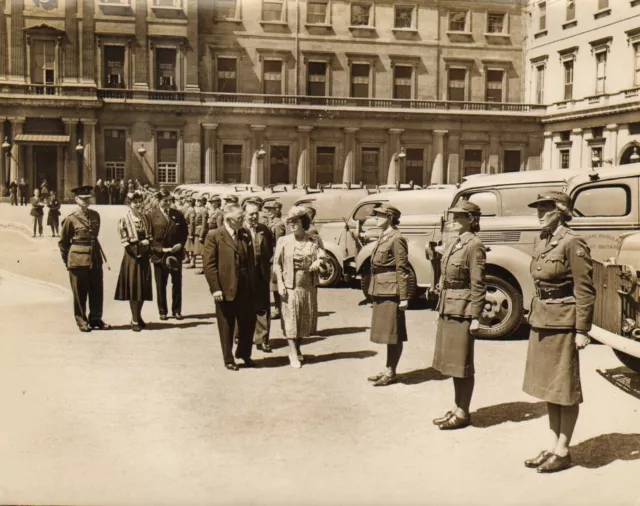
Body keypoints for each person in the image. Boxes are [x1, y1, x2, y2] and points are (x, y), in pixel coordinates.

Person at [522, 192, 595, 473]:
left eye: (546, 209)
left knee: (564, 388)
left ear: (561, 211)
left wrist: (582, 329)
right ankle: (553, 446)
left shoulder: (572, 241)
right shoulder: (542, 239)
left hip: (564, 320)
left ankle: (563, 451)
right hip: (543, 318)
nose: (540, 213)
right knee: (549, 387)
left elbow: (585, 289)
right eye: (538, 208)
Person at [432, 200, 486, 430]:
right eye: (452, 216)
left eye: (459, 216)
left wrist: (476, 316)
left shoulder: (474, 245)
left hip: (463, 310)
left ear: (471, 220)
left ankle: (463, 412)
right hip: (449, 307)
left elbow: (478, 284)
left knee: (462, 364)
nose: (453, 220)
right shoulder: (456, 242)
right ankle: (457, 407)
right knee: (453, 363)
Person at [203, 203, 257, 371]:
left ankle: (244, 353)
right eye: (240, 219)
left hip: (246, 288)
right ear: (229, 220)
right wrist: (216, 288)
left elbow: (250, 261)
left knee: (248, 323)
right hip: (225, 289)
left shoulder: (245, 234)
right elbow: (209, 265)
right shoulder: (214, 235)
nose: (244, 221)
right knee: (227, 325)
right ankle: (229, 358)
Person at [274, 206, 326, 368]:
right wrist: (281, 284)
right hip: (290, 284)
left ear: (304, 222)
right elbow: (277, 264)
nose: (292, 224)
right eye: (290, 222)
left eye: (296, 221)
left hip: (308, 285)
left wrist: (318, 262)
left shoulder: (314, 240)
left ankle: (297, 349)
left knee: (303, 319)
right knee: (290, 319)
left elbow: (323, 257)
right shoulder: (283, 241)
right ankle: (293, 353)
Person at [366, 205, 411, 387]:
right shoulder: (384, 235)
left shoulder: (397, 238)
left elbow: (402, 269)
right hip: (381, 288)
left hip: (392, 290)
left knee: (394, 334)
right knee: (387, 333)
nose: (375, 218)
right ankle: (388, 368)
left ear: (390, 217)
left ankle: (391, 372)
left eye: (379, 215)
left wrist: (404, 296)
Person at [58, 186, 110, 332]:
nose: (86, 201)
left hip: (94, 257)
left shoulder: (95, 216)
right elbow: (63, 243)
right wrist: (68, 260)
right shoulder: (71, 219)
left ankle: (95, 318)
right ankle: (81, 320)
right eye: (83, 199)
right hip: (77, 259)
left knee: (97, 290)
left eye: (88, 198)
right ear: (76, 200)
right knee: (80, 292)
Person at [114, 191, 154, 332]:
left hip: (144, 257)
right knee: (134, 288)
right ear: (129, 204)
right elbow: (125, 241)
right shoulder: (124, 219)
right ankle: (134, 319)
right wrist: (137, 250)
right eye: (134, 202)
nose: (138, 204)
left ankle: (138, 315)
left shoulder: (145, 218)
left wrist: (146, 247)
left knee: (143, 288)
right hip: (132, 257)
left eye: (139, 202)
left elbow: (150, 236)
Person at [148, 189, 188, 321]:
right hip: (159, 256)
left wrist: (181, 245)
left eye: (170, 201)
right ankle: (162, 311)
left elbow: (184, 233)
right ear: (159, 201)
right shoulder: (151, 215)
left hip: (175, 255)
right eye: (165, 201)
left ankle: (177, 310)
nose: (168, 203)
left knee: (177, 284)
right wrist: (160, 249)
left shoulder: (178, 214)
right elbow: (149, 237)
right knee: (161, 285)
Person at [244, 201, 274, 353]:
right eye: (251, 214)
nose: (254, 216)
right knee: (243, 306)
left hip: (261, 273)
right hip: (244, 275)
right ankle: (241, 336)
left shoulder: (264, 230)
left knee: (263, 307)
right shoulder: (239, 230)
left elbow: (270, 249)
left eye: (256, 213)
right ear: (244, 214)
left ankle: (262, 339)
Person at [193, 197, 209, 274]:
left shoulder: (204, 211)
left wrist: (201, 235)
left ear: (203, 202)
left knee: (203, 252)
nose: (198, 202)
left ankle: (204, 268)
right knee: (200, 251)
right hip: (197, 231)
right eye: (197, 200)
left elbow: (204, 224)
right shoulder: (201, 210)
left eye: (199, 201)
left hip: (200, 232)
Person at [184, 198, 197, 268]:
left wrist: (191, 233)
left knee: (191, 246)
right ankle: (188, 259)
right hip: (187, 228)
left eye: (189, 201)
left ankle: (192, 262)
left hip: (190, 229)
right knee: (188, 246)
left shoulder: (191, 210)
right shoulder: (189, 209)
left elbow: (192, 222)